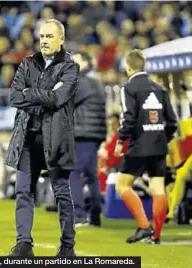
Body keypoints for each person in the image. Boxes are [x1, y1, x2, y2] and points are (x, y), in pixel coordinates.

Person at [5, 19, 79, 256]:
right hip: (27, 138)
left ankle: (68, 246)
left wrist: (31, 93)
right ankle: (24, 243)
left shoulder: (70, 67)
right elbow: (14, 97)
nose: (45, 41)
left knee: (61, 192)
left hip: (55, 139)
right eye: (42, 37)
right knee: (23, 191)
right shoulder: (28, 63)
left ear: (61, 40)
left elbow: (59, 99)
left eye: (49, 36)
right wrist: (46, 94)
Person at [114, 49, 178, 244]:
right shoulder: (160, 89)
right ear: (145, 66)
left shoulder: (129, 88)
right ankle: (156, 236)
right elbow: (172, 121)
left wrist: (120, 140)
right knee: (158, 188)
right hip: (158, 146)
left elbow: (129, 118)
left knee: (122, 185)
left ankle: (144, 227)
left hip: (139, 145)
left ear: (128, 66)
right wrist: (161, 138)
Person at [69, 51, 107, 227]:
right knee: (92, 176)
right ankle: (95, 215)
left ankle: (79, 215)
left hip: (82, 133)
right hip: (95, 133)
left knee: (74, 173)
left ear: (84, 63)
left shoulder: (80, 82)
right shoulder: (96, 83)